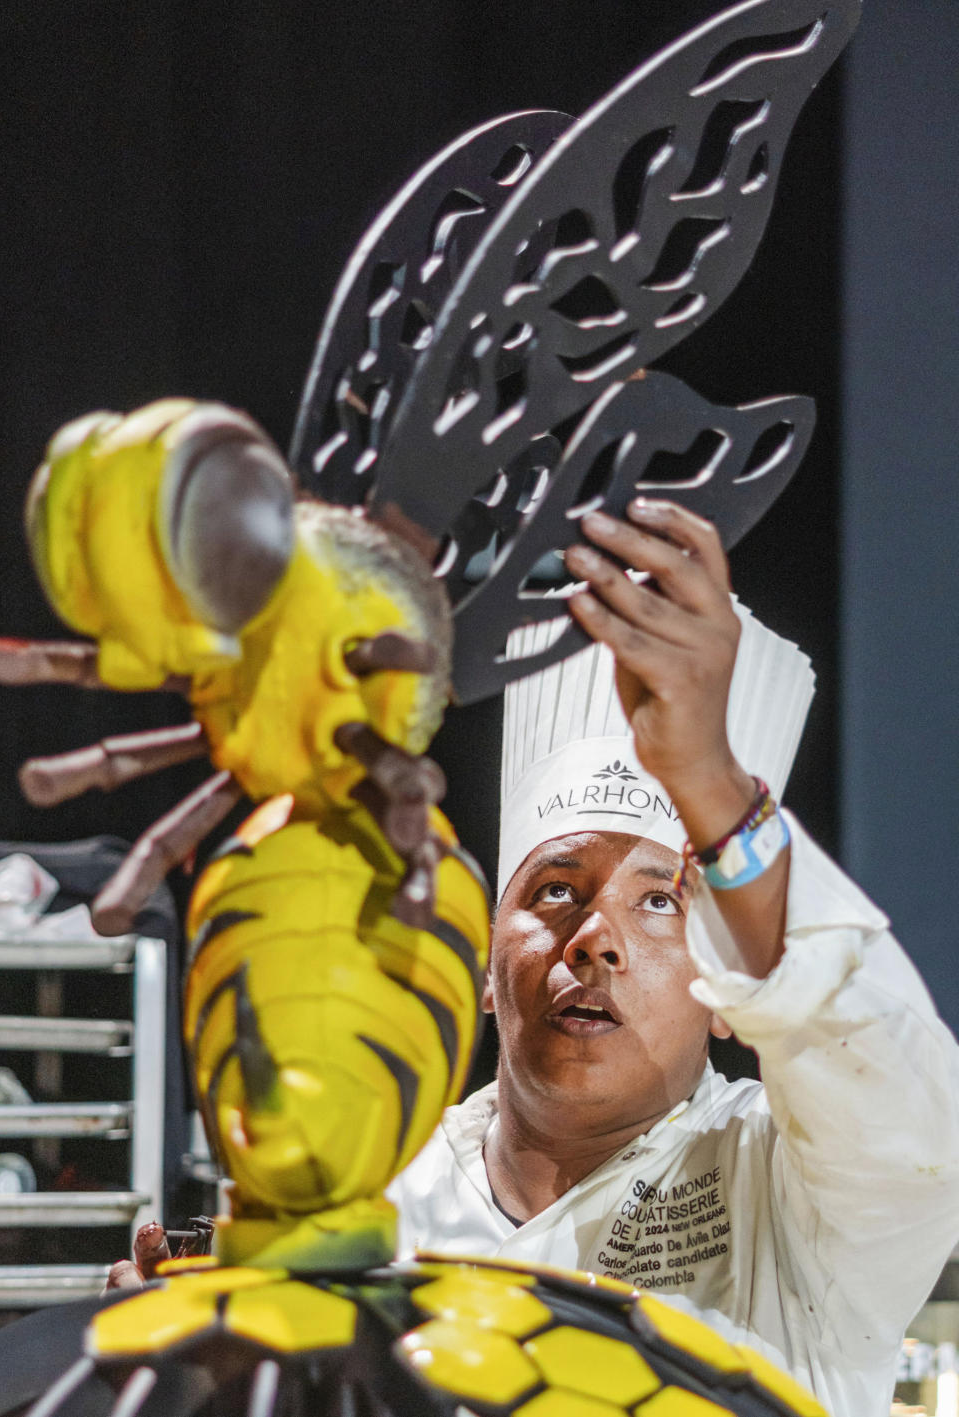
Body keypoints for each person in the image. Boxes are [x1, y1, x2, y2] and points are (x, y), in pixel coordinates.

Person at [388, 497, 959, 1417]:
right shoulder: (383, 1211)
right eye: (554, 890)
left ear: (730, 990)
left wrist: (712, 786)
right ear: (488, 972)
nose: (596, 935)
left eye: (659, 901)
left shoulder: (787, 1195)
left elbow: (909, 1113)